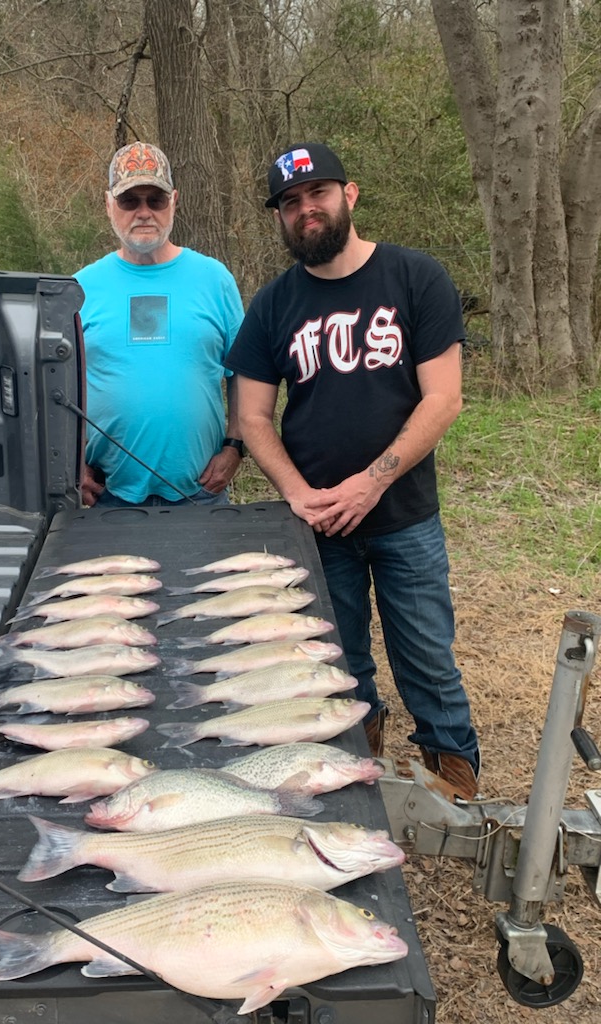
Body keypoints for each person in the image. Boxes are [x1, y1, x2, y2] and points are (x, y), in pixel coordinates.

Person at [225, 141, 480, 800]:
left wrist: (373, 480)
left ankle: (450, 773)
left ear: (350, 195)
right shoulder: (274, 304)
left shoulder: (415, 278)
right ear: (281, 217)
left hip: (403, 515)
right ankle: (354, 763)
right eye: (290, 203)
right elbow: (251, 414)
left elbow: (444, 397)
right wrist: (299, 494)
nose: (306, 210)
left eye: (318, 194)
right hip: (317, 523)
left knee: (425, 652)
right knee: (334, 661)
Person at [74, 141, 245, 508]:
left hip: (201, 494)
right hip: (107, 498)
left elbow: (244, 376)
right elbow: (53, 388)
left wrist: (235, 447)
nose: (144, 212)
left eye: (156, 199)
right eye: (129, 201)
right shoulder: (79, 289)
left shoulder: (214, 280)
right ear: (108, 204)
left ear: (174, 202)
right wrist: (70, 463)